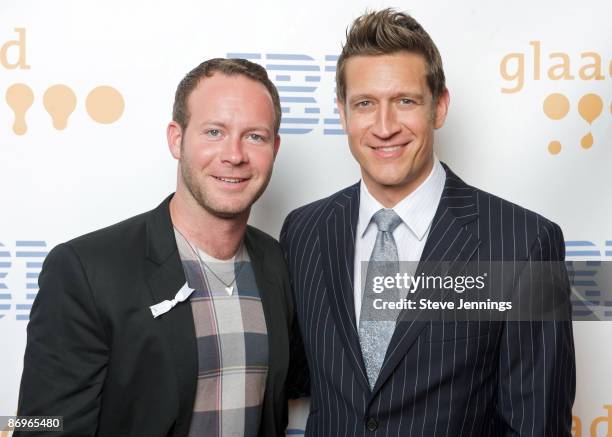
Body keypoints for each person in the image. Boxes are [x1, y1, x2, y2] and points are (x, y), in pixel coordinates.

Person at [280, 9, 575, 436]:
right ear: (343, 114)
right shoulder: (304, 231)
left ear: (439, 107)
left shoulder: (522, 243)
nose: (384, 127)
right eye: (365, 103)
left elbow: (538, 426)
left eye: (405, 101)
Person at [16, 58, 294, 437]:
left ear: (274, 148)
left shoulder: (276, 263)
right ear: (176, 139)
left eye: (255, 136)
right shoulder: (85, 270)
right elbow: (42, 428)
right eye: (214, 131)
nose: (234, 154)